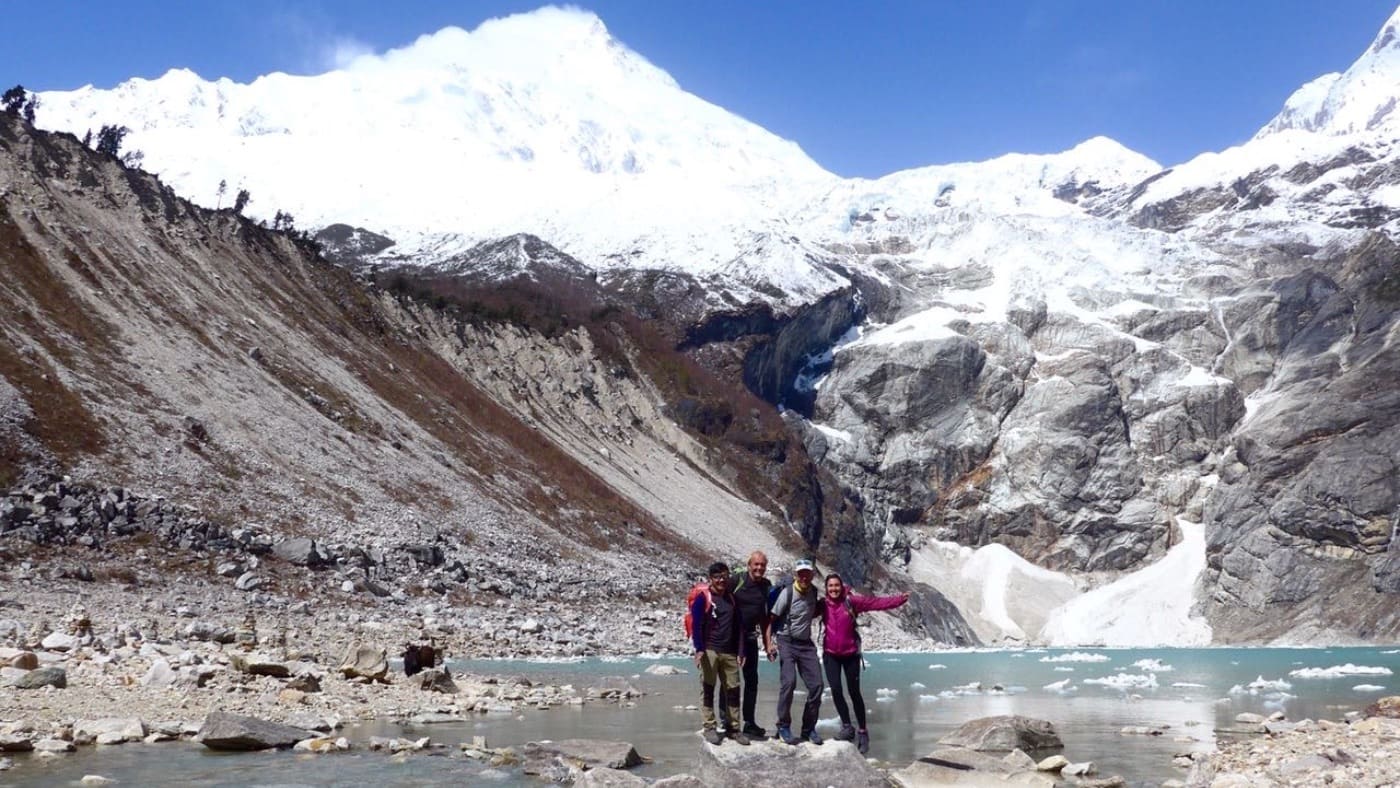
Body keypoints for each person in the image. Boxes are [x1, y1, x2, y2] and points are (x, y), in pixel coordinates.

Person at [819, 573, 910, 754]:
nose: (834, 589)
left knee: (854, 693)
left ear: (841, 586)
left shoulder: (852, 601)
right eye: (830, 586)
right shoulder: (822, 605)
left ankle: (863, 731)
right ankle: (847, 727)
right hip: (831, 654)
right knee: (836, 690)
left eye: (836, 585)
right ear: (826, 588)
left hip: (851, 654)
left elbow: (876, 603)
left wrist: (899, 600)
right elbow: (802, 609)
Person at [690, 560, 752, 745]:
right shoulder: (703, 598)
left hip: (730, 652)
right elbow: (697, 625)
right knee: (708, 689)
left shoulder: (732, 599)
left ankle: (734, 728)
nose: (721, 580)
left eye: (724, 577)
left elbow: (740, 627)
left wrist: (742, 651)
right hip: (709, 650)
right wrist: (699, 649)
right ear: (711, 579)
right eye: (717, 577)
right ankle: (709, 727)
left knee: (733, 690)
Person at [768, 558, 824, 745]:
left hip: (806, 643)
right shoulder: (787, 593)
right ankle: (783, 725)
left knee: (817, 686)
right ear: (796, 575)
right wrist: (769, 643)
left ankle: (808, 729)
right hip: (786, 641)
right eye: (801, 573)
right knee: (789, 682)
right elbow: (771, 618)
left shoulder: (813, 593)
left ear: (812, 575)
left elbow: (811, 612)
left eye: (807, 573)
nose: (804, 577)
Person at [725, 550, 776, 738]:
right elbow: (719, 602)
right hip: (730, 637)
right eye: (756, 564)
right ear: (749, 565)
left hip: (749, 637)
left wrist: (768, 643)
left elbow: (765, 619)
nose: (759, 568)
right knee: (729, 680)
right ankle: (727, 720)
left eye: (762, 565)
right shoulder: (736, 581)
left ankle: (749, 722)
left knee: (752, 681)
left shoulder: (766, 586)